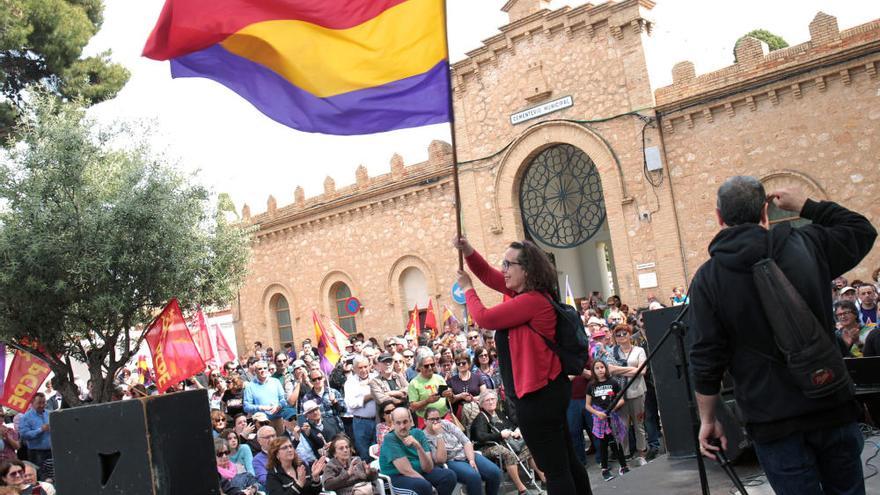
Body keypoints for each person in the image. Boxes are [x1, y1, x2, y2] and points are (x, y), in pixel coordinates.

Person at [687, 178, 876, 494]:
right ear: (765, 211)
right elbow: (861, 229)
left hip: (773, 419)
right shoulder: (807, 244)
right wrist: (806, 206)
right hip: (830, 402)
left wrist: (708, 418)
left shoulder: (708, 279)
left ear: (719, 217)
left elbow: (705, 358)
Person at [455, 236, 591, 495]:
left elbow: (483, 317)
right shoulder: (531, 295)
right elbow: (488, 274)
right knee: (566, 463)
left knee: (555, 470)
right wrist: (469, 251)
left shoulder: (530, 301)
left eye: (508, 264)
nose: (503, 270)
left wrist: (467, 289)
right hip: (550, 391)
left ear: (526, 270)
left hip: (538, 395)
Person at [470, 390, 541, 494]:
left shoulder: (498, 412)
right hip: (485, 447)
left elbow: (509, 425)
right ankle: (522, 489)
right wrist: (500, 435)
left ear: (496, 400)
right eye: (487, 400)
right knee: (508, 454)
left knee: (529, 447)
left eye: (493, 399)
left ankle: (544, 478)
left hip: (504, 443)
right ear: (482, 404)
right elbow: (480, 437)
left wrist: (515, 430)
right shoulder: (481, 417)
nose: (490, 402)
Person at [423, 406, 502, 495]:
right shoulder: (425, 437)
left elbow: (466, 441)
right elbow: (441, 460)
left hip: (466, 453)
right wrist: (439, 435)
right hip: (451, 460)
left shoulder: (446, 424)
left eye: (438, 418)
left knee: (495, 472)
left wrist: (471, 459)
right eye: (432, 419)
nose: (436, 422)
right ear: (425, 421)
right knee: (474, 477)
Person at [378, 407, 456, 495]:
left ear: (410, 421)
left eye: (405, 422)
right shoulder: (390, 439)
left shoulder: (418, 433)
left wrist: (418, 446)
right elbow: (407, 471)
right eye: (398, 423)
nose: (402, 426)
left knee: (449, 476)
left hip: (419, 472)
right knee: (423, 486)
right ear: (393, 423)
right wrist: (430, 486)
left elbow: (428, 468)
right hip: (397, 477)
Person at [606, 324, 648, 465]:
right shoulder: (612, 352)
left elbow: (642, 371)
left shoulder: (639, 350)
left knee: (639, 424)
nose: (622, 336)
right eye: (618, 334)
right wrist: (632, 369)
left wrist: (619, 369)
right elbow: (610, 370)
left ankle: (642, 452)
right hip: (620, 395)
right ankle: (625, 454)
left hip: (637, 392)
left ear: (630, 334)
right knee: (622, 426)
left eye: (625, 333)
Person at [584, 360, 628, 482]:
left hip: (612, 417)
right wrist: (598, 413)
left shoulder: (613, 382)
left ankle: (623, 466)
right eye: (597, 368)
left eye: (602, 367)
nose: (600, 370)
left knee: (617, 442)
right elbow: (587, 405)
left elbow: (622, 399)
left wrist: (614, 407)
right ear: (593, 371)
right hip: (600, 419)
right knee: (602, 445)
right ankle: (605, 469)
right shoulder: (591, 385)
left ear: (606, 368)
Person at [344, 356, 377, 461]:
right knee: (365, 454)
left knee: (379, 450)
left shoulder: (376, 377)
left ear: (370, 366)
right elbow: (351, 403)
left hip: (378, 420)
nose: (363, 370)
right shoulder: (350, 383)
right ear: (354, 369)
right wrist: (369, 396)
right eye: (360, 367)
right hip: (361, 422)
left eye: (365, 366)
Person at [243, 361, 288, 433]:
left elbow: (284, 400)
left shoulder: (275, 382)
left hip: (278, 420)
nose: (263, 370)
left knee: (280, 443)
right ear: (255, 371)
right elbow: (246, 407)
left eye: (265, 368)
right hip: (261, 423)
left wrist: (278, 406)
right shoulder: (250, 386)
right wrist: (261, 407)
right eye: (260, 369)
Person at [407, 353, 453, 423]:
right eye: (426, 366)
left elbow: (450, 400)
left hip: (444, 417)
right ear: (419, 367)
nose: (430, 368)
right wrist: (427, 401)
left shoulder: (439, 378)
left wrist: (450, 395)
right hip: (426, 421)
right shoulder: (414, 383)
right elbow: (413, 407)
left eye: (432, 365)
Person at [19, 394, 52, 469]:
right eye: (39, 403)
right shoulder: (25, 417)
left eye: (44, 402)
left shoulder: (50, 413)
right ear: (32, 403)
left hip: (52, 450)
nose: (42, 405)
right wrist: (40, 430)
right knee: (39, 474)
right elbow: (24, 435)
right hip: (37, 452)